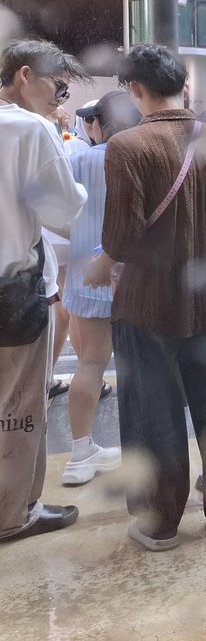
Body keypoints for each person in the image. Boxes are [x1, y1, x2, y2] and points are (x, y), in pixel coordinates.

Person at [82, 45, 206, 552]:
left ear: (135, 91)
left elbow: (121, 238)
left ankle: (159, 522)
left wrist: (97, 268)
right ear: (184, 85)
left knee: (152, 413)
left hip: (147, 307)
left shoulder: (128, 146)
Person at [0, 39, 88, 542]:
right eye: (57, 88)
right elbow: (63, 210)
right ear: (25, 75)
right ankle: (15, 514)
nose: (60, 100)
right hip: (12, 291)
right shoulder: (30, 129)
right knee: (17, 407)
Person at [59, 91, 141, 486]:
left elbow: (58, 213)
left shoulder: (76, 157)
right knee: (133, 368)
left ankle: (80, 451)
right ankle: (132, 452)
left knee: (88, 364)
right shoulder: (138, 159)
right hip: (124, 279)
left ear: (97, 123)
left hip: (80, 275)